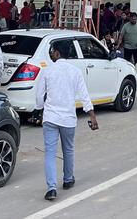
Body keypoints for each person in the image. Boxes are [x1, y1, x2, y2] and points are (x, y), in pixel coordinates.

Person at [36, 41, 98, 201]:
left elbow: (39, 96)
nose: (51, 54)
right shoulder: (75, 72)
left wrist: (40, 108)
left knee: (50, 153)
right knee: (68, 149)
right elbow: (84, 95)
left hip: (50, 117)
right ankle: (68, 179)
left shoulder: (47, 71)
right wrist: (91, 115)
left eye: (52, 52)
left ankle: (51, 188)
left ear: (57, 53)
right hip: (68, 119)